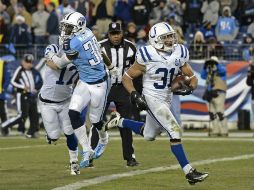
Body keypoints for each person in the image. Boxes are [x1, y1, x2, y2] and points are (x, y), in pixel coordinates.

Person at [104, 22, 209, 185]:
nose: (170, 40)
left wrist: (190, 88)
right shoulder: (147, 54)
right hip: (152, 97)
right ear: (155, 39)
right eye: (165, 37)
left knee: (149, 135)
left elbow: (192, 76)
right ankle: (189, 172)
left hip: (166, 97)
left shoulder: (179, 52)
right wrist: (134, 94)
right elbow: (127, 77)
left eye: (170, 36)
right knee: (174, 131)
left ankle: (120, 121)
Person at [45, 12, 118, 168]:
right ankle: (86, 149)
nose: (65, 30)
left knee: (96, 121)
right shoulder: (88, 32)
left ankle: (104, 139)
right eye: (65, 26)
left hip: (99, 83)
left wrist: (49, 54)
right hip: (84, 81)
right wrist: (111, 66)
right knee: (73, 113)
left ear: (78, 27)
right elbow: (100, 50)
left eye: (69, 27)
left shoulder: (74, 43)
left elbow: (57, 64)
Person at [91, 22, 139, 167]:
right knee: (97, 121)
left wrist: (135, 90)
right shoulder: (99, 46)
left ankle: (129, 157)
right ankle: (90, 154)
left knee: (125, 122)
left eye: (118, 33)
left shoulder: (131, 47)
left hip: (123, 88)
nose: (116, 36)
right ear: (108, 34)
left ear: (122, 33)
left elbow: (137, 68)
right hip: (104, 87)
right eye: (113, 34)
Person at [39, 44, 80, 175]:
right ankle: (50, 136)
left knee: (69, 131)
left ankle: (74, 161)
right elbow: (54, 65)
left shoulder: (81, 56)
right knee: (54, 136)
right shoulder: (53, 48)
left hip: (66, 101)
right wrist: (69, 59)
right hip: (47, 103)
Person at [1, 54, 43, 138]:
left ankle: (31, 132)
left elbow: (40, 82)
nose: (29, 64)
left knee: (34, 115)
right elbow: (13, 81)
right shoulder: (20, 70)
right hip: (22, 95)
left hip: (32, 96)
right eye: (27, 62)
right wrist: (23, 87)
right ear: (23, 62)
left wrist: (35, 89)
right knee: (22, 115)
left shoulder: (34, 71)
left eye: (30, 62)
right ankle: (4, 126)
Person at [201, 56, 228, 136]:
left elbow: (223, 71)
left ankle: (224, 131)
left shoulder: (221, 69)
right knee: (212, 113)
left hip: (219, 93)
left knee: (220, 112)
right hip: (210, 93)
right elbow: (203, 76)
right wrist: (205, 66)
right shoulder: (209, 71)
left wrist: (216, 64)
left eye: (213, 63)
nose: (212, 65)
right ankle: (215, 130)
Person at [0, 57, 11, 136]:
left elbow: (7, 79)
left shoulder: (3, 64)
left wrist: (3, 89)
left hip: (0, 93)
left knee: (2, 113)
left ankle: (5, 130)